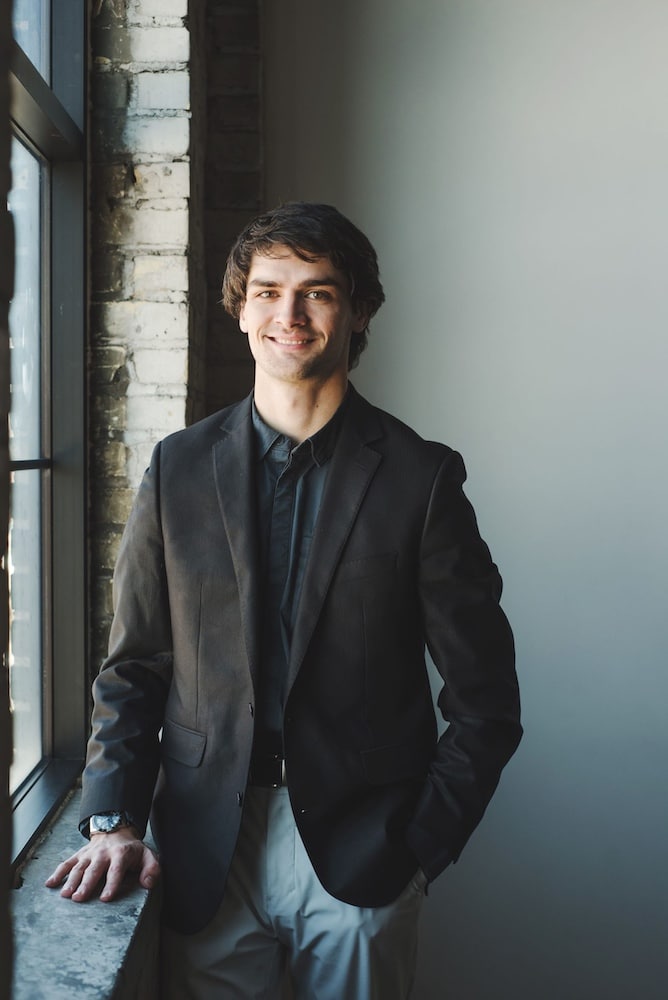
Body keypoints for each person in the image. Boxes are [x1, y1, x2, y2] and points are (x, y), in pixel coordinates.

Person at [46, 202, 522, 999]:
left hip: (362, 853)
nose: (288, 314)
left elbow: (487, 702)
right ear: (239, 310)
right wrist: (113, 818)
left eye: (317, 292)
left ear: (358, 310)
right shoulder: (178, 470)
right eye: (266, 291)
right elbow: (136, 666)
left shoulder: (422, 478)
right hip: (205, 847)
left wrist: (419, 847)